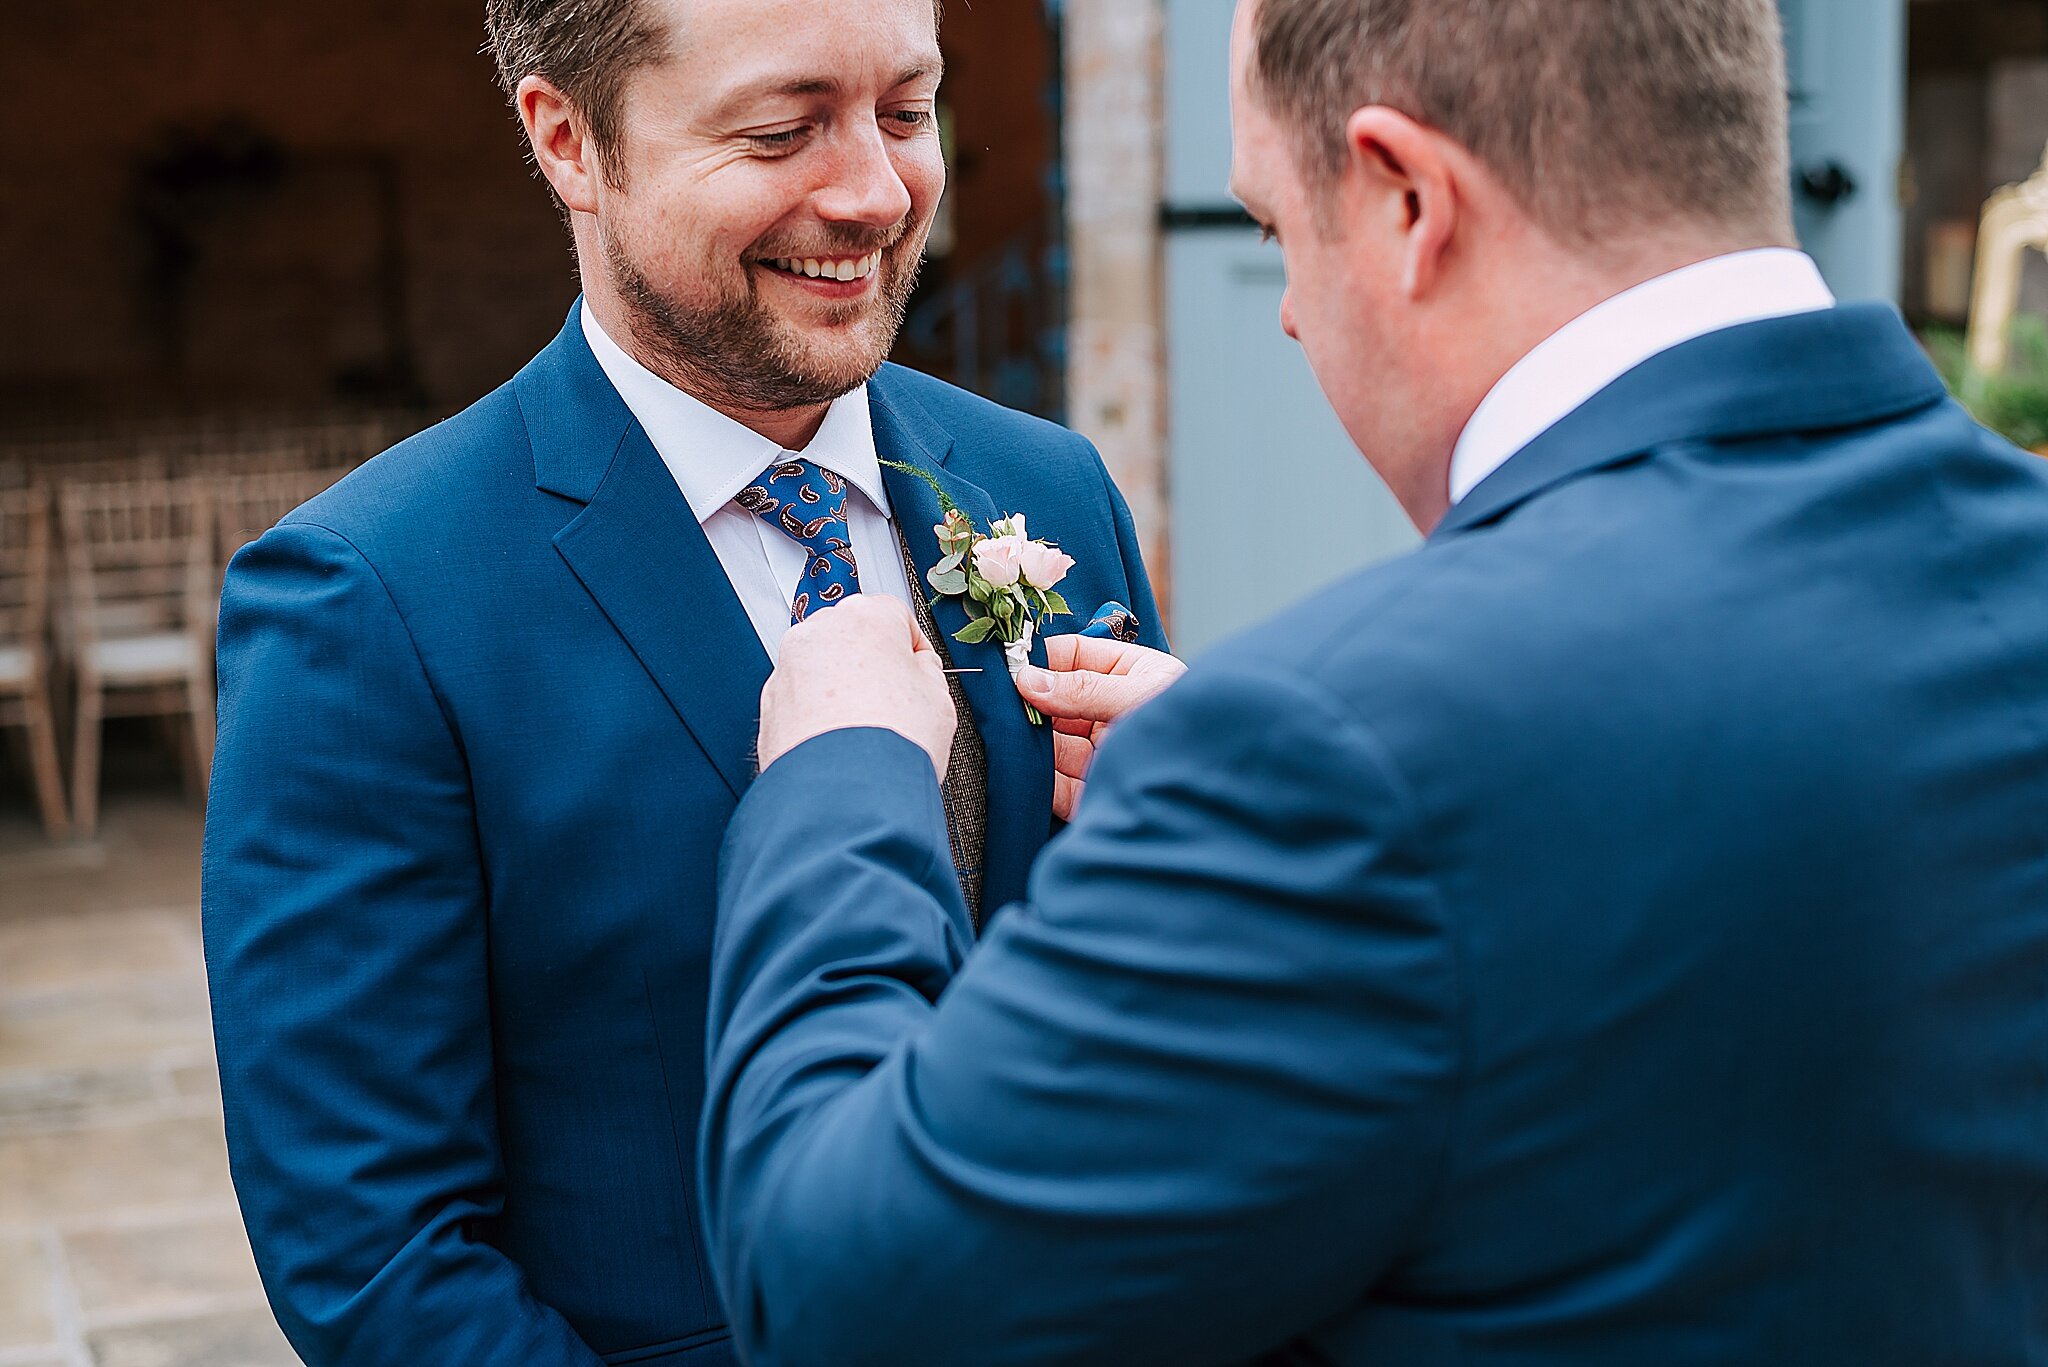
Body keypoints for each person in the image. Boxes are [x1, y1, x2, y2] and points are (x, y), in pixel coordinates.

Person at [700, 0, 2048, 1362]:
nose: (1283, 311)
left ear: (1407, 199)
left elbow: (837, 1296)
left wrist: (842, 772)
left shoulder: (1335, 758)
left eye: (1279, 230)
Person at [199, 0, 1163, 1362]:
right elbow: (375, 1254)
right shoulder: (371, 602)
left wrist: (1202, 839)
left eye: (905, 111)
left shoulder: (1046, 485)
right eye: (783, 131)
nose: (878, 195)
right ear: (569, 141)